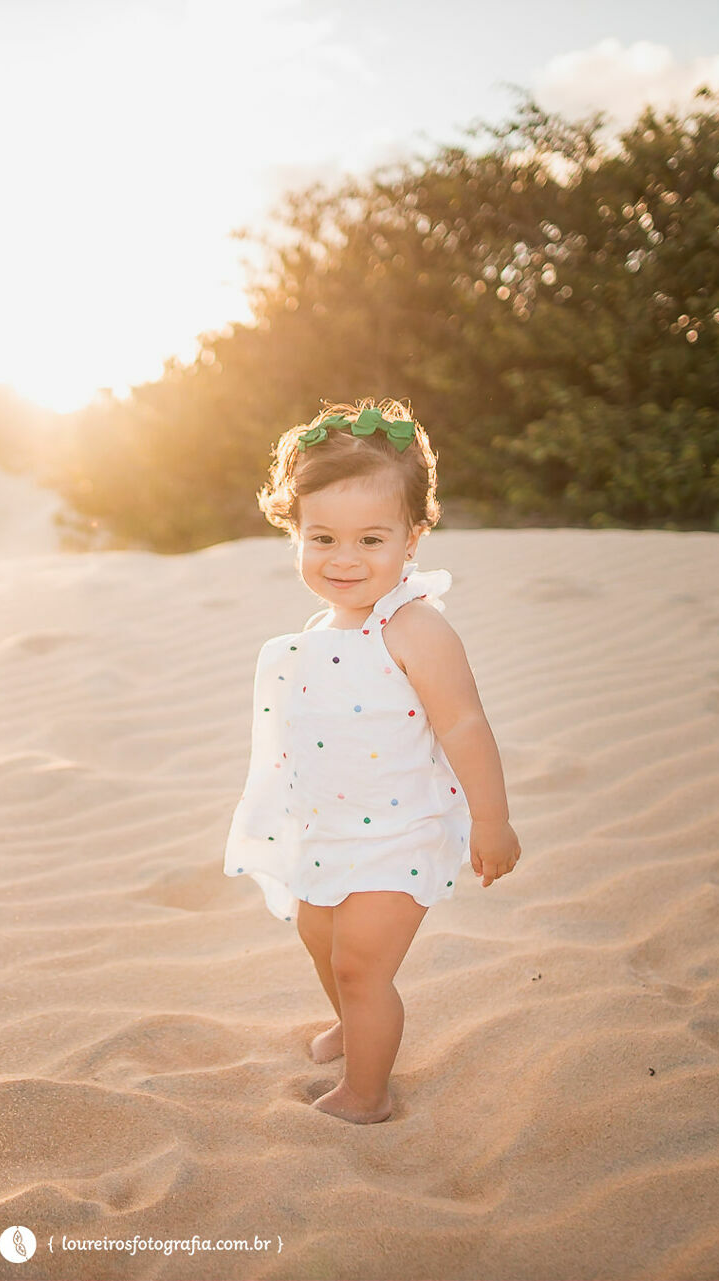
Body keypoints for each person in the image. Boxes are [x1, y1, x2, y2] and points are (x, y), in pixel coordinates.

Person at [224, 398, 522, 1124]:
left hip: (402, 832)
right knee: (319, 937)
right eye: (322, 537)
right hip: (330, 828)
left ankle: (369, 1090)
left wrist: (492, 822)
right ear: (293, 532)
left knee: (362, 961)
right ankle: (352, 1021)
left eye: (371, 539)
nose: (344, 558)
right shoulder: (318, 631)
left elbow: (464, 724)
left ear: (412, 539)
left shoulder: (415, 627)